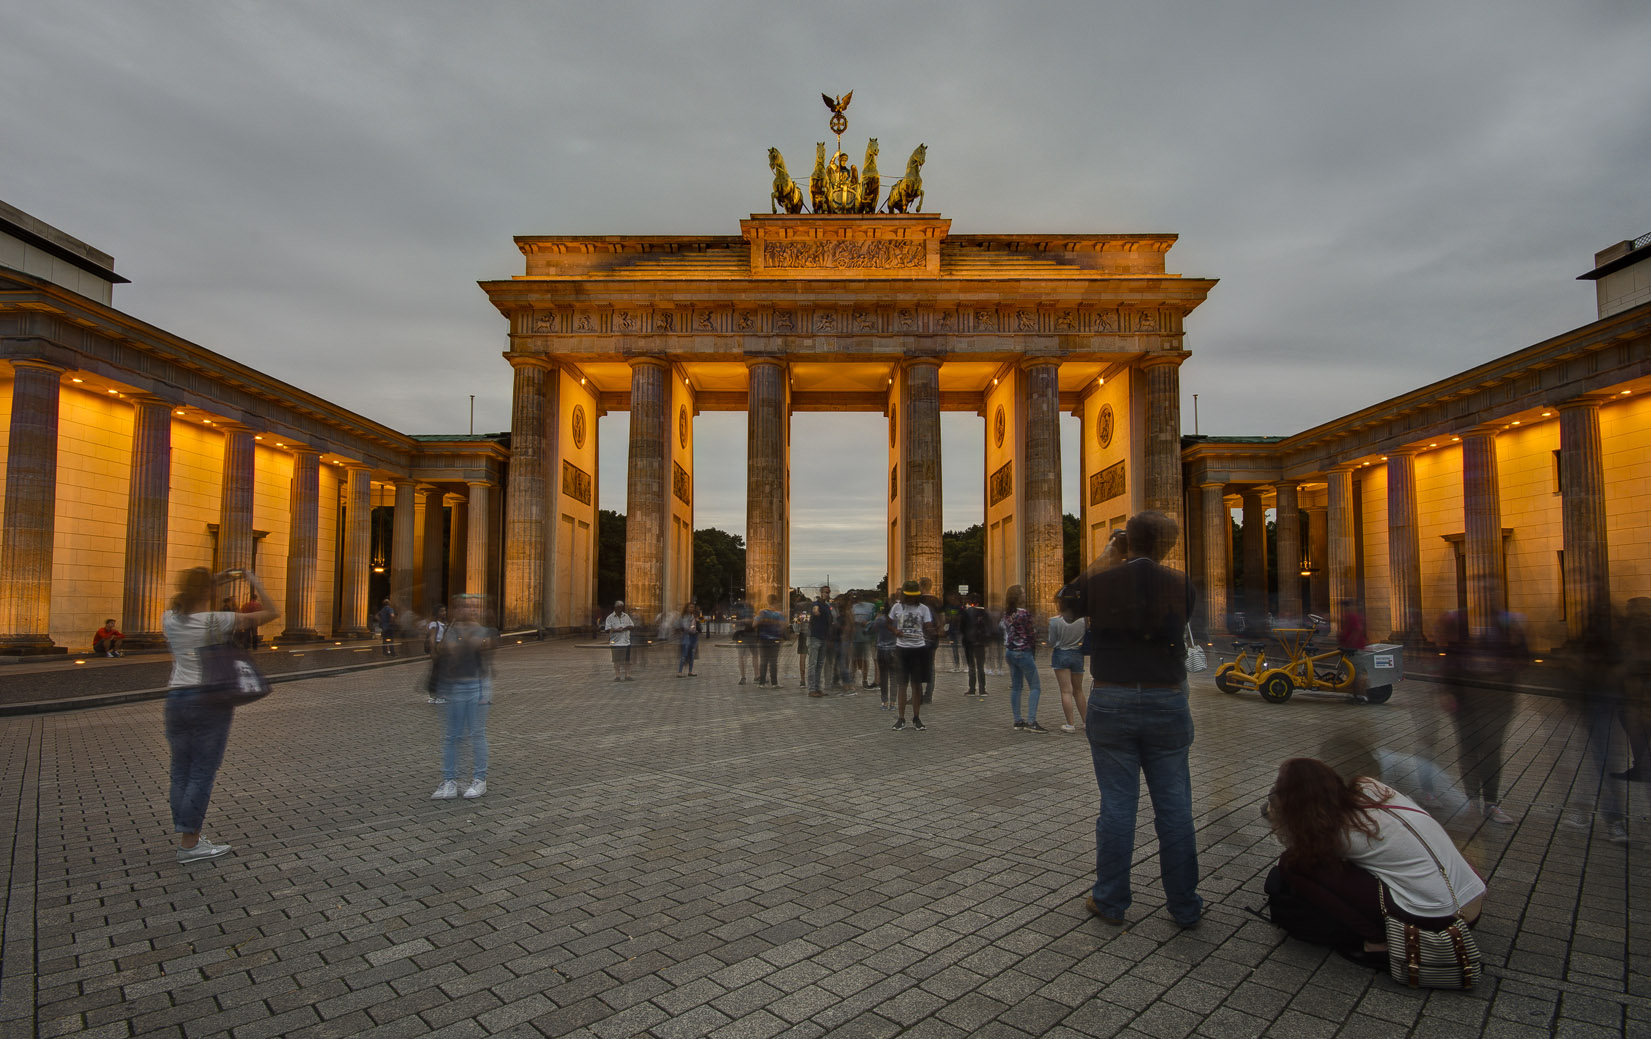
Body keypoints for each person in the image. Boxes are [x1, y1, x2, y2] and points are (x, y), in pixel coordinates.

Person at [1067, 510, 1202, 928]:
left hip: (1112, 697)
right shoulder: (1182, 585)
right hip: (1166, 697)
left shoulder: (1104, 581)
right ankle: (1184, 906)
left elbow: (1067, 604)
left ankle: (1110, 901)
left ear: (1128, 541)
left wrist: (1106, 556)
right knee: (1176, 807)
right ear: (1168, 545)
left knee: (1117, 806)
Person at [1265, 757, 1486, 966]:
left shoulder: (1339, 833)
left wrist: (1280, 815)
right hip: (1471, 896)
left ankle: (1379, 940)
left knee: (1293, 864)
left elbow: (1300, 851)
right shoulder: (1371, 788)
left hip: (1441, 918)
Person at [162, 567, 280, 863]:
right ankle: (190, 844)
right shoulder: (217, 619)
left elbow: (190, 597)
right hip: (208, 699)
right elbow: (272, 612)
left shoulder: (171, 619)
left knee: (180, 771)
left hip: (176, 698)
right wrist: (254, 582)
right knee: (202, 771)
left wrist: (213, 581)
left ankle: (189, 836)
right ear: (208, 593)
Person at [431, 594, 495, 800]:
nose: (464, 611)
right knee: (452, 736)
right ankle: (449, 781)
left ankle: (479, 779)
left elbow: (474, 650)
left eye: (469, 607)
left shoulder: (483, 630)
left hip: (476, 686)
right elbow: (444, 654)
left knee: (477, 734)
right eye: (459, 607)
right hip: (454, 686)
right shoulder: (452, 630)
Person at [888, 580, 934, 731]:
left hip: (918, 648)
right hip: (902, 648)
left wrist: (933, 629)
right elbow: (888, 622)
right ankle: (901, 718)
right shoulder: (897, 607)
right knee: (902, 684)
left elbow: (928, 626)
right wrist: (895, 631)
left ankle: (916, 717)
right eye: (908, 596)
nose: (911, 599)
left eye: (914, 597)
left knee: (916, 685)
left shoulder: (923, 609)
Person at [1003, 585, 1045, 732]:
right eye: (1023, 593)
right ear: (1018, 596)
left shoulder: (1007, 614)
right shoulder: (1024, 614)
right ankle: (1032, 721)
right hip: (1023, 651)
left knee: (1016, 687)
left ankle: (1017, 720)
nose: (1025, 595)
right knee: (1035, 686)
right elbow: (1031, 634)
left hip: (1010, 651)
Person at [1048, 595, 1087, 732]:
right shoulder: (1082, 620)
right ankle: (1085, 721)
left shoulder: (1054, 621)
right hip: (1077, 654)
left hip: (1061, 654)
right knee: (1079, 690)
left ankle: (1070, 724)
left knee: (1066, 691)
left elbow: (1052, 642)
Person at [806, 585, 835, 697]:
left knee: (820, 664)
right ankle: (812, 689)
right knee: (813, 664)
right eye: (826, 592)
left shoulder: (827, 607)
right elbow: (815, 610)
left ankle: (817, 688)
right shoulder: (816, 604)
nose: (827, 594)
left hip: (824, 637)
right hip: (815, 637)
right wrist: (816, 612)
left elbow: (829, 622)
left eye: (829, 592)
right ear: (821, 593)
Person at [961, 594, 991, 696]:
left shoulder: (966, 613)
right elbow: (988, 627)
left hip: (969, 642)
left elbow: (962, 627)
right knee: (980, 666)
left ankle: (972, 689)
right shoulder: (984, 613)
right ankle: (982, 689)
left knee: (971, 666)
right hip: (980, 642)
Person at [755, 595, 786, 687]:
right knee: (773, 661)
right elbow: (784, 625)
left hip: (763, 639)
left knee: (763, 661)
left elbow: (754, 624)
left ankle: (762, 683)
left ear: (767, 601)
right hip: (775, 639)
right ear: (776, 602)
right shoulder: (779, 614)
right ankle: (774, 683)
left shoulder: (762, 612)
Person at [872, 601, 898, 709]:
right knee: (893, 677)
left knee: (883, 677)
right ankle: (893, 703)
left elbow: (873, 629)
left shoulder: (879, 620)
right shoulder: (896, 620)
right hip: (893, 649)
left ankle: (884, 702)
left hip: (882, 649)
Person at [604, 600, 635, 681]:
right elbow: (607, 629)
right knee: (616, 660)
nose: (620, 609)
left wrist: (625, 628)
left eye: (621, 607)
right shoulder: (610, 617)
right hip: (615, 643)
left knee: (627, 660)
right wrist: (615, 630)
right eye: (618, 607)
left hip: (626, 642)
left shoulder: (626, 616)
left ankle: (627, 675)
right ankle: (617, 675)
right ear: (615, 607)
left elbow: (632, 626)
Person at [677, 602, 701, 677]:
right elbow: (684, 626)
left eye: (693, 607)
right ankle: (680, 671)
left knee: (692, 655)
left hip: (694, 636)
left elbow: (695, 626)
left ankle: (690, 671)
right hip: (687, 636)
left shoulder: (693, 616)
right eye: (690, 607)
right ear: (687, 608)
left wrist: (696, 625)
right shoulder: (684, 616)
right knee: (684, 654)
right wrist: (691, 627)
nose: (692, 608)